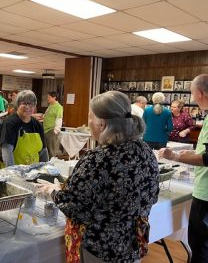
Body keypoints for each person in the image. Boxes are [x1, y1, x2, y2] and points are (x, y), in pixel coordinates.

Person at [36, 91, 159, 263]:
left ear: (101, 123)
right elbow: (152, 195)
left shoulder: (98, 159)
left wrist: (53, 191)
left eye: (90, 117)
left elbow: (74, 206)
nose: (88, 123)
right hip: (131, 242)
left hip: (100, 247)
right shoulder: (144, 150)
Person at [159, 74, 208, 263]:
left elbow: (206, 157)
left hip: (205, 194)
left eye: (193, 94)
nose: (193, 98)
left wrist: (176, 156)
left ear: (201, 93)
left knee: (200, 244)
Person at [0, 90, 49, 166]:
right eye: (24, 103)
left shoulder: (37, 125)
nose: (28, 107)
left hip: (33, 172)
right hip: (13, 172)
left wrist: (45, 170)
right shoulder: (10, 123)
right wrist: (13, 173)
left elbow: (43, 151)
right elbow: (7, 153)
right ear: (17, 105)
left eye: (31, 104)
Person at [43, 91, 63, 158]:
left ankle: (51, 166)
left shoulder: (58, 107)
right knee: (47, 151)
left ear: (54, 97)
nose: (47, 98)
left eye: (49, 97)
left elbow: (59, 119)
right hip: (46, 130)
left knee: (51, 151)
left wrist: (56, 130)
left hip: (51, 131)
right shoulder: (50, 106)